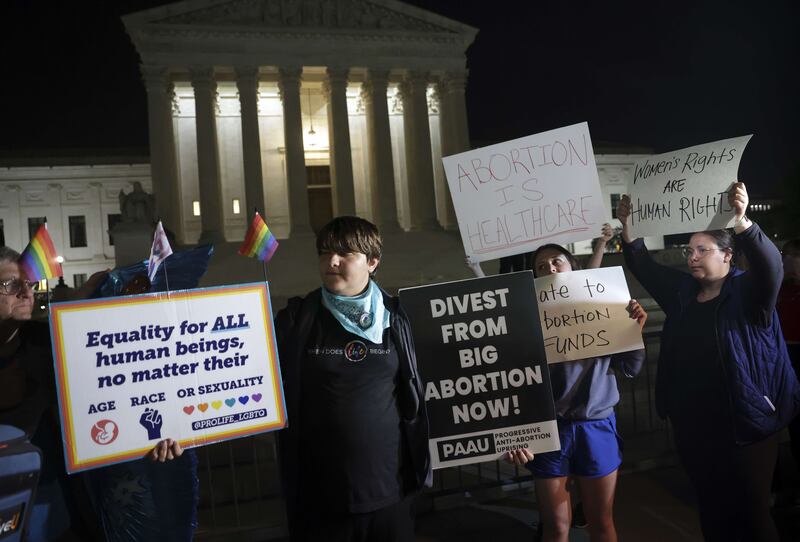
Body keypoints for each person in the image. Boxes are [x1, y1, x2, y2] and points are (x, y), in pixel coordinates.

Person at [616, 182, 800, 541]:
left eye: (703, 249)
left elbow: (771, 264)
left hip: (747, 426)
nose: (692, 257)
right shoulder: (683, 293)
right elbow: (642, 264)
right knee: (712, 510)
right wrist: (628, 226)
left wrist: (742, 221)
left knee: (750, 514)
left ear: (728, 255)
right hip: (695, 428)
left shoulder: (750, 293)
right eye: (690, 250)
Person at [0, 246, 183, 541]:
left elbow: (116, 396)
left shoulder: (52, 346)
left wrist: (154, 433)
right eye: (11, 284)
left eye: (29, 284)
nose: (27, 292)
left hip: (55, 517)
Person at [274, 216, 430, 542]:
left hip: (391, 494)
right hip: (322, 500)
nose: (332, 261)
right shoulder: (296, 320)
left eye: (345, 253)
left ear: (373, 262)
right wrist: (179, 428)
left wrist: (506, 437)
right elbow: (242, 376)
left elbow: (452, 384)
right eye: (325, 252)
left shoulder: (398, 316)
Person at [501, 243, 647, 542]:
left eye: (557, 261)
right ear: (535, 278)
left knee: (601, 522)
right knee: (555, 527)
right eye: (541, 267)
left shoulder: (603, 307)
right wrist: (514, 435)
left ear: (573, 268)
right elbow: (516, 383)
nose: (550, 268)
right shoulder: (524, 321)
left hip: (596, 426)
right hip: (549, 432)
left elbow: (631, 368)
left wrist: (634, 331)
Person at [778, 240, 800, 477]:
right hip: (786, 357)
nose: (792, 261)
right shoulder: (780, 289)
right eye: (788, 255)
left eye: (797, 256)